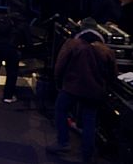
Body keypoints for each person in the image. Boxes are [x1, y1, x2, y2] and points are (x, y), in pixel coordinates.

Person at [48, 17, 117, 163]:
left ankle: (63, 142)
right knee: (89, 121)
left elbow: (59, 66)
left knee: (60, 111)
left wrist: (59, 83)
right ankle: (87, 154)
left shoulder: (73, 44)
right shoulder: (107, 50)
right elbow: (113, 74)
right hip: (95, 91)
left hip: (72, 87)